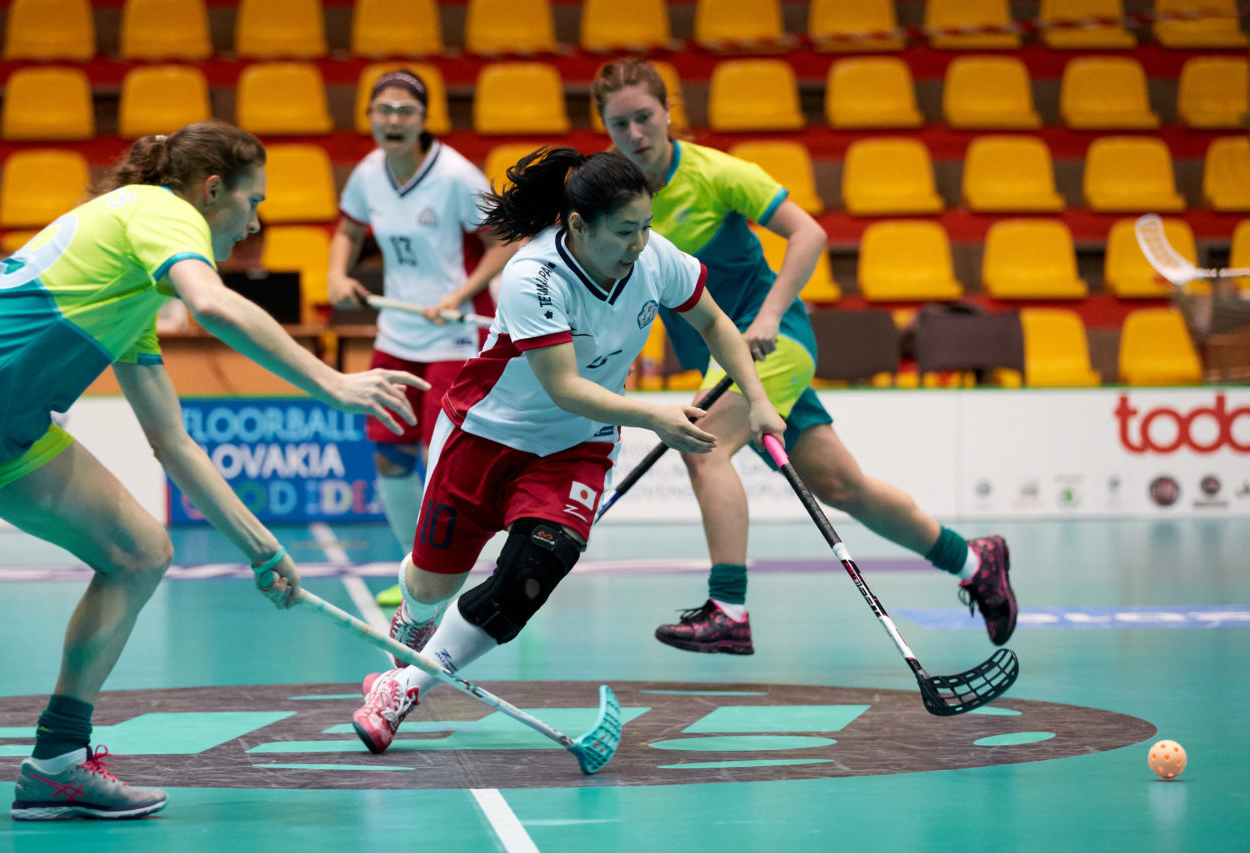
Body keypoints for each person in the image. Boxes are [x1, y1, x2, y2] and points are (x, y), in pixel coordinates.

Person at [0, 121, 430, 819]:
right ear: (213, 190)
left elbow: (173, 443)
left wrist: (263, 550)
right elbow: (211, 303)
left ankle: (57, 761)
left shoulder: (132, 288)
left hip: (10, 427)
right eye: (253, 202)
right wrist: (333, 383)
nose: (256, 224)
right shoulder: (158, 208)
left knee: (137, 552)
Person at [350, 146, 786, 752]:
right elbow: (565, 387)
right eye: (625, 231)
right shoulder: (532, 275)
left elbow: (714, 323)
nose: (640, 244)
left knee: (530, 577)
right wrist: (654, 417)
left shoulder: (655, 258)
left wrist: (758, 399)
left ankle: (401, 689)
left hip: (575, 447)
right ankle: (414, 621)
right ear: (579, 225)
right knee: (430, 588)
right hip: (484, 436)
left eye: (646, 226)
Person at [591, 58, 1017, 655]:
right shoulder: (614, 196)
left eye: (645, 116)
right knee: (843, 485)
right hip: (722, 355)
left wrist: (769, 314)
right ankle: (974, 561)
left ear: (667, 112)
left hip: (770, 341)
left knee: (702, 445)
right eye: (620, 124)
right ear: (605, 127)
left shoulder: (717, 174)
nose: (636, 134)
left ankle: (728, 608)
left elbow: (809, 233)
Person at [327, 69, 520, 606]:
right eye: (384, 110)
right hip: (397, 335)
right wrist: (337, 274)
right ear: (369, 117)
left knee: (447, 462)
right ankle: (415, 569)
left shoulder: (456, 176)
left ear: (423, 119)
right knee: (389, 456)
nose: (394, 120)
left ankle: (471, 569)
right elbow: (347, 230)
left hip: (455, 334)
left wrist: (461, 294)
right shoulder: (368, 174)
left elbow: (504, 242)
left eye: (405, 111)